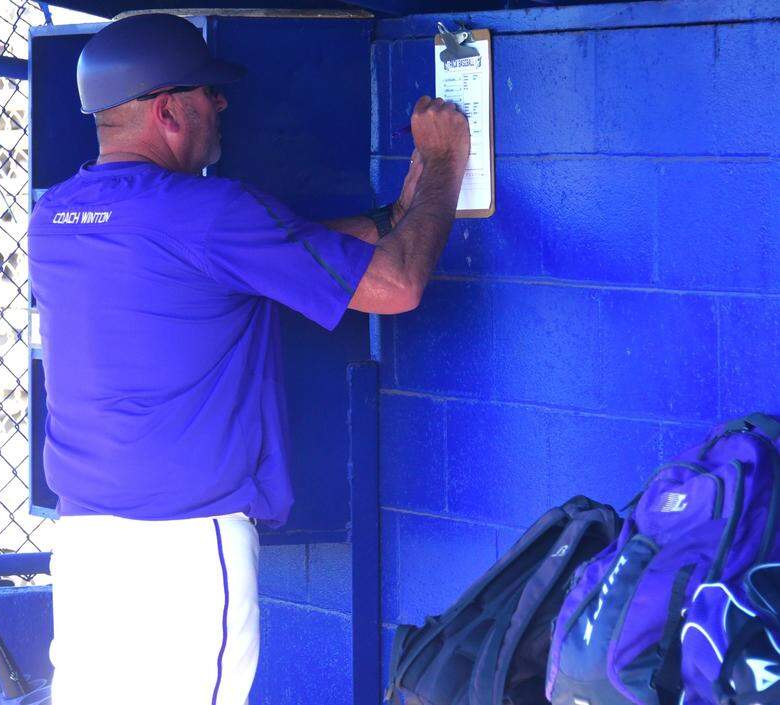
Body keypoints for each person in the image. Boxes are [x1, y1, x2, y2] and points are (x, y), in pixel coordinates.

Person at [27, 13, 470, 705]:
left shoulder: (56, 215)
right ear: (169, 110)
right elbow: (399, 286)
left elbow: (249, 255)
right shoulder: (207, 213)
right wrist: (444, 168)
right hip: (184, 549)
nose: (221, 103)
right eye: (208, 92)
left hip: (87, 547)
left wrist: (390, 217)